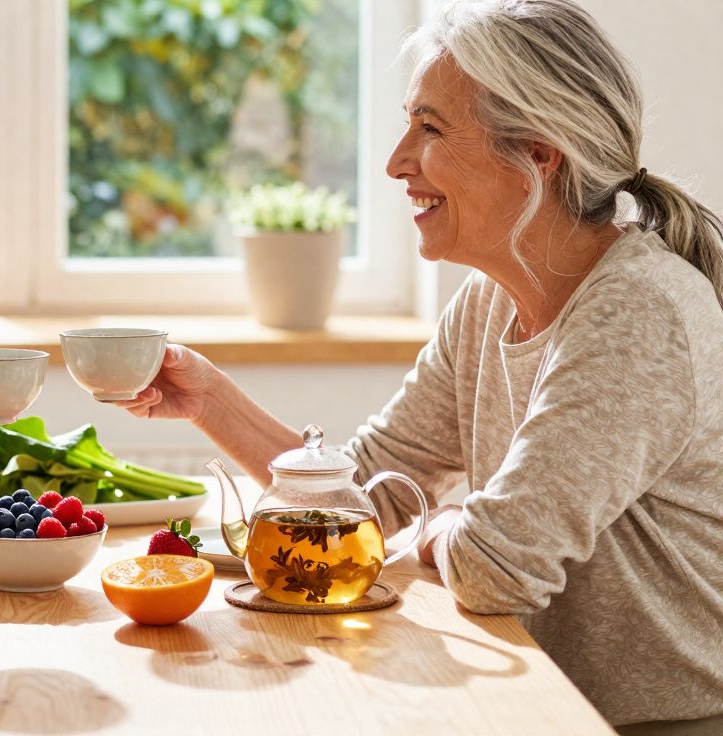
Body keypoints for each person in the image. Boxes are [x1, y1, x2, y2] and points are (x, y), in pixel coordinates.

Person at [121, 1, 722, 732]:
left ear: (538, 152)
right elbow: (364, 500)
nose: (396, 161)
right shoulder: (488, 301)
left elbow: (497, 567)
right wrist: (211, 401)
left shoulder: (638, 312)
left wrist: (445, 528)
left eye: (430, 128)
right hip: (537, 701)